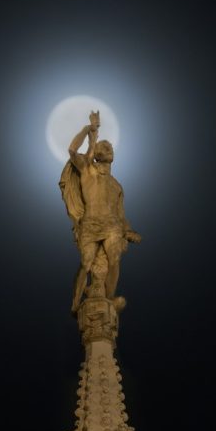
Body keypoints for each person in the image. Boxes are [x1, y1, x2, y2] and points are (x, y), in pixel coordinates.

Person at [60, 111, 141, 312]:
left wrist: (129, 231)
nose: (109, 148)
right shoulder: (88, 169)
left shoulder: (116, 185)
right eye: (105, 147)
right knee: (86, 264)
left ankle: (109, 297)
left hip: (112, 225)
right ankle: (75, 302)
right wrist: (89, 129)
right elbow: (72, 150)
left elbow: (121, 214)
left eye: (111, 147)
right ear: (96, 153)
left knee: (114, 260)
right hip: (90, 223)